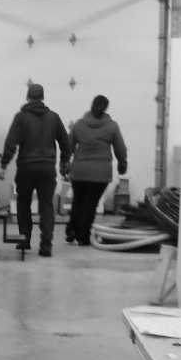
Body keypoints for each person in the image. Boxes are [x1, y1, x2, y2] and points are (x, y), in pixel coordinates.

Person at [0, 82, 72, 257]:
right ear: (43, 97)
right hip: (47, 167)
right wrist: (64, 164)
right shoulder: (53, 117)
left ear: (27, 97)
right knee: (47, 205)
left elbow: (11, 143)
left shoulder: (21, 117)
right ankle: (46, 246)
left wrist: (3, 165)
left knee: (23, 203)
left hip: (26, 167)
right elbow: (66, 143)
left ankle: (24, 240)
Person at [63, 94, 128, 246]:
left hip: (79, 171)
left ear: (91, 105)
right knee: (90, 205)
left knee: (78, 202)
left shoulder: (79, 125)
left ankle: (71, 230)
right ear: (105, 108)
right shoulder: (112, 126)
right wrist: (122, 163)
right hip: (100, 173)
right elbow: (120, 148)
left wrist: (64, 164)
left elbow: (68, 147)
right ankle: (83, 236)